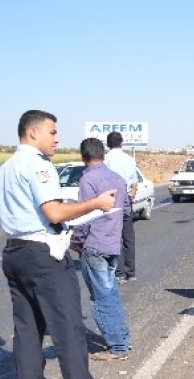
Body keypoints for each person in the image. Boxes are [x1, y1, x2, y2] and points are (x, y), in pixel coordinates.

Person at [0, 110, 123, 379]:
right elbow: (53, 212)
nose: (57, 138)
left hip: (14, 252)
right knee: (68, 329)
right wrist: (96, 204)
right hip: (43, 255)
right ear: (33, 133)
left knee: (27, 331)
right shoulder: (37, 166)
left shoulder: (5, 169)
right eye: (52, 132)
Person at [72, 138, 132, 361]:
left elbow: (84, 217)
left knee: (101, 297)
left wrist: (77, 242)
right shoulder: (117, 178)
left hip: (94, 246)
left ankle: (118, 346)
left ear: (83, 156)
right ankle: (122, 340)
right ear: (104, 155)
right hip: (112, 244)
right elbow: (126, 212)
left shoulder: (88, 180)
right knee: (110, 292)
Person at [103, 132, 138, 283]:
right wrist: (130, 197)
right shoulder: (129, 159)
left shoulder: (106, 159)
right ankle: (131, 272)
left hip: (110, 201)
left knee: (115, 237)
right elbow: (134, 184)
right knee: (128, 237)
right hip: (125, 199)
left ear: (108, 144)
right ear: (121, 143)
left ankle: (120, 272)